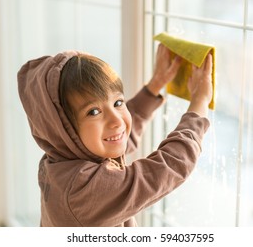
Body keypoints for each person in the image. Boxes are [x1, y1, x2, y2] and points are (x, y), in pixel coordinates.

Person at [17, 44, 213, 227]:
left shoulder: (59, 158)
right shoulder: (82, 189)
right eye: (93, 112)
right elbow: (166, 168)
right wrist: (200, 101)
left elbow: (118, 135)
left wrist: (156, 84)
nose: (117, 121)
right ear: (62, 129)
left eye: (118, 103)